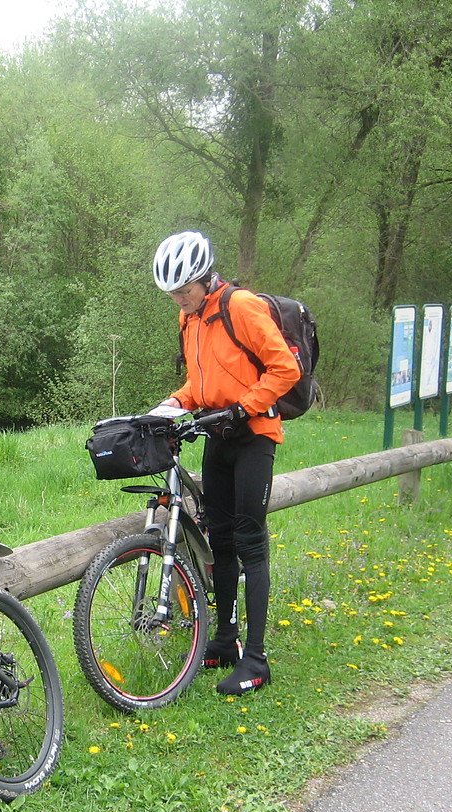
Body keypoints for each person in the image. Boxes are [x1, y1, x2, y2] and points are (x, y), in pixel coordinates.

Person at [150, 230, 299, 696]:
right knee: (221, 541)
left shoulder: (241, 307)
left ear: (204, 277)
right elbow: (199, 385)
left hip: (254, 436)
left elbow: (285, 369)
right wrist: (170, 406)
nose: (179, 299)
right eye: (172, 293)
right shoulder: (188, 318)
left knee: (250, 542)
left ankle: (256, 659)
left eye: (184, 290)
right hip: (217, 435)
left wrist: (244, 407)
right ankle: (225, 640)